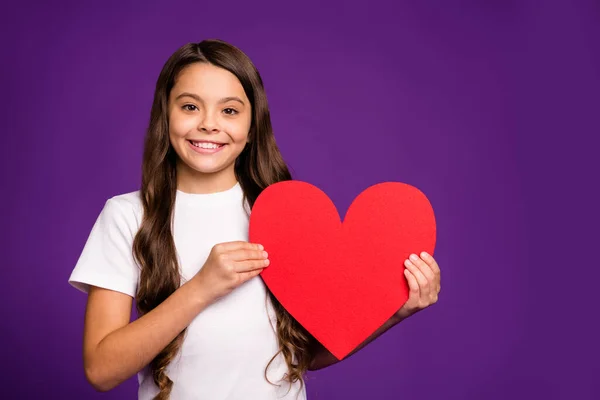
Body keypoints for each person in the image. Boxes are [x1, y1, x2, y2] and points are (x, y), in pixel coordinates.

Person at [68, 39, 442, 400]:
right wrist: (201, 288)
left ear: (251, 128)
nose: (209, 124)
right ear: (165, 116)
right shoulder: (129, 216)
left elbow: (301, 357)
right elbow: (101, 370)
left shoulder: (282, 216)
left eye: (229, 110)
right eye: (189, 107)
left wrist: (395, 312)